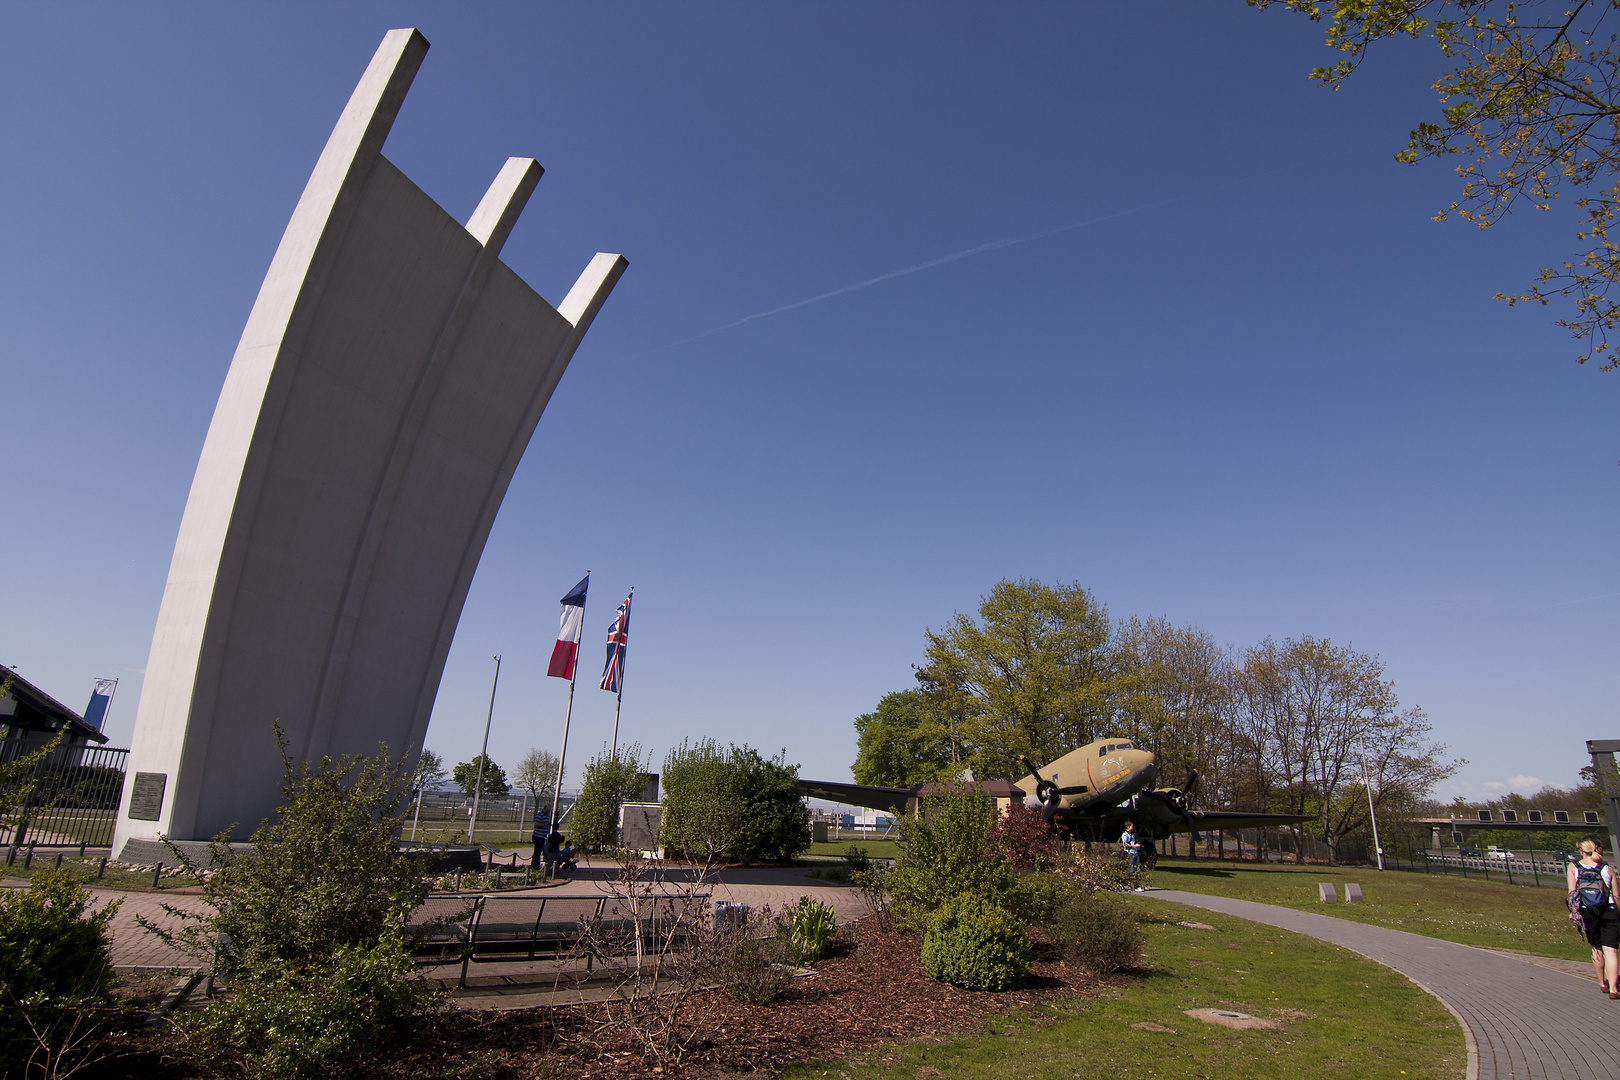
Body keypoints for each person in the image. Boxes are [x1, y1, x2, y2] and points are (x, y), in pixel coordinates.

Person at [1567, 836, 1619, 998]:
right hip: (1608, 910)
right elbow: (1616, 895)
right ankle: (1614, 989)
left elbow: (1572, 893)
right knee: (1610, 951)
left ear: (1582, 851)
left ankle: (1602, 983)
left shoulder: (1574, 867)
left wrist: (1574, 913)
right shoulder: (1606, 868)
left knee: (1596, 948)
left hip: (1587, 911)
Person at [1121, 820, 1143, 889]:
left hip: (1136, 853)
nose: (1133, 828)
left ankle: (1137, 884)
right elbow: (1125, 844)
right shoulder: (1125, 835)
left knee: (1138, 869)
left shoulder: (1132, 835)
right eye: (1132, 826)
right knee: (1131, 870)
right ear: (1128, 826)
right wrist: (1134, 846)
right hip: (1130, 853)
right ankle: (1127, 883)